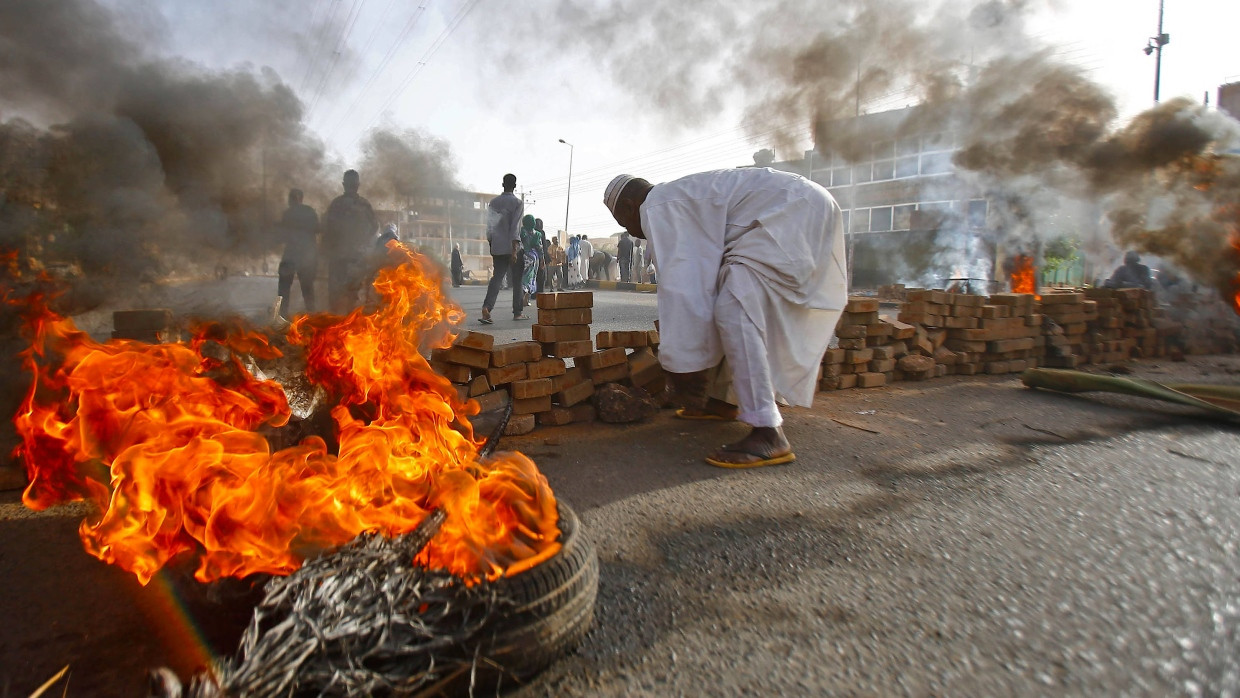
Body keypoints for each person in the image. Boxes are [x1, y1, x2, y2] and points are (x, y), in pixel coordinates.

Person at [603, 168, 847, 469]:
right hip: (804, 205)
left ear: (629, 207)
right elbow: (702, 284)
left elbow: (683, 288)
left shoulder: (657, 206)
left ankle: (768, 433)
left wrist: (683, 366)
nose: (631, 232)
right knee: (725, 293)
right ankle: (724, 400)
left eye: (624, 224)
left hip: (791, 212)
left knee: (736, 306)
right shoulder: (677, 197)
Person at [322, 169, 378, 313]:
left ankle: (336, 321)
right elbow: (374, 228)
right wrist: (363, 244)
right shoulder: (364, 205)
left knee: (336, 295)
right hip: (357, 257)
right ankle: (350, 321)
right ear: (358, 185)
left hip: (338, 257)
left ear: (344, 184)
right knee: (354, 295)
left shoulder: (336, 204)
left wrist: (327, 250)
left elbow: (326, 230)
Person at [480, 173, 524, 324]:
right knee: (517, 280)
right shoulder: (517, 203)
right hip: (512, 248)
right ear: (515, 186)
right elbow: (515, 227)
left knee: (497, 279)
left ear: (502, 185)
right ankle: (517, 313)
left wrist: (491, 244)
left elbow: (489, 227)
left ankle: (487, 307)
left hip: (497, 247)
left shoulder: (493, 203)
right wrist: (514, 250)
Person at [275, 187, 319, 319]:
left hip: (292, 254)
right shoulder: (309, 212)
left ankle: (282, 315)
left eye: (291, 198)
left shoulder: (288, 213)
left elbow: (281, 236)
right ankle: (312, 315)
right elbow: (318, 229)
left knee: (284, 287)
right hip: (305, 255)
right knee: (307, 288)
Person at [519, 214, 541, 307]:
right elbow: (539, 247)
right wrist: (542, 259)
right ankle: (526, 299)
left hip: (523, 256)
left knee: (523, 278)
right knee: (532, 278)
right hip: (534, 258)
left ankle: (521, 297)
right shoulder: (537, 234)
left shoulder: (521, 232)